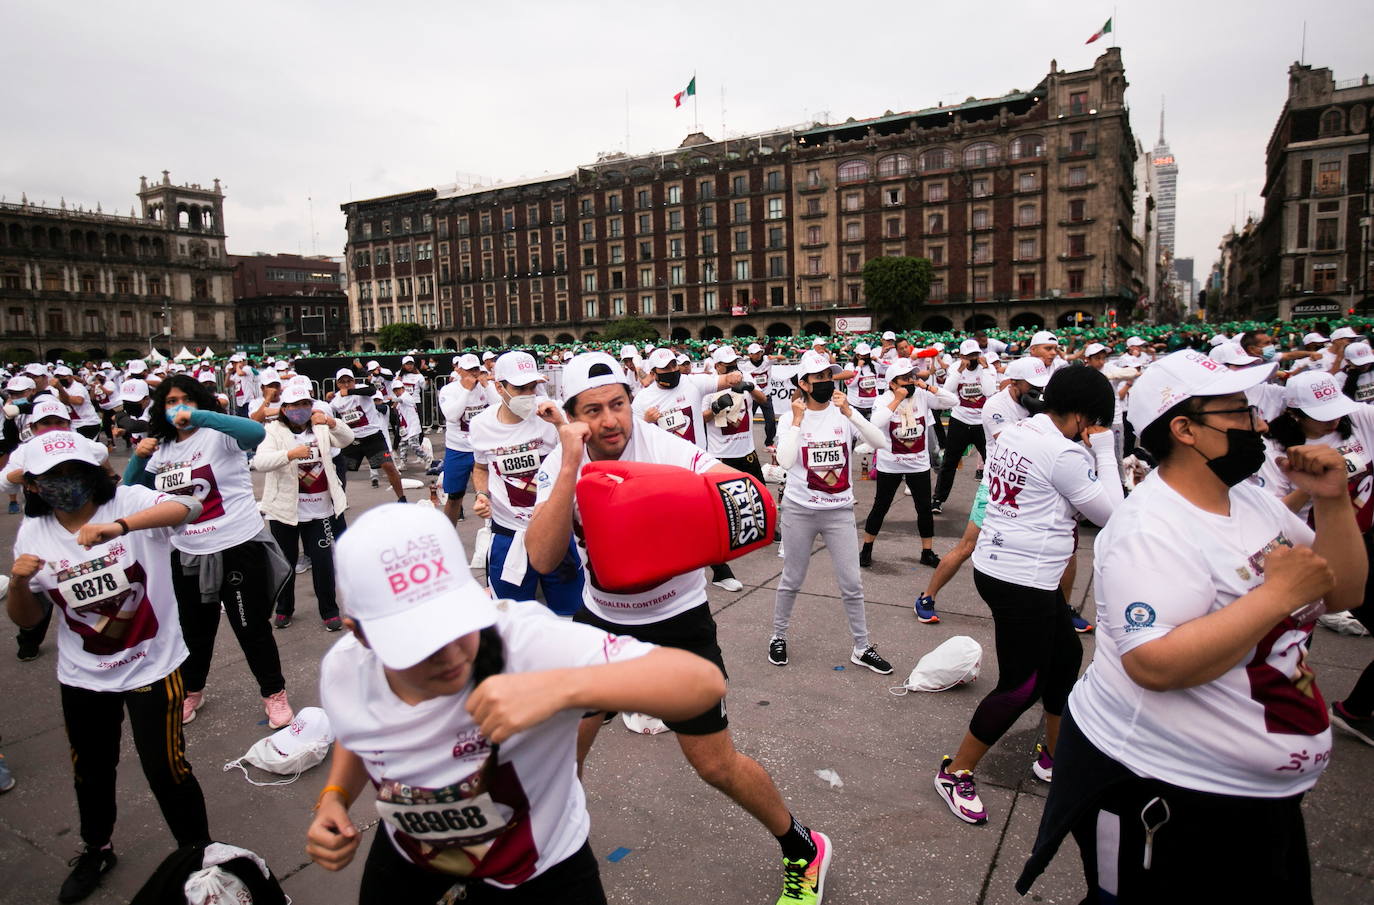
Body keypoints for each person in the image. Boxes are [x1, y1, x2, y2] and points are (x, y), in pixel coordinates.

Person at [1017, 349, 1366, 903]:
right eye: (1238, 413)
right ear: (1186, 429)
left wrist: (1333, 502)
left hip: (1258, 794)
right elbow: (1154, 661)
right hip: (1165, 790)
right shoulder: (1149, 529)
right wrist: (1277, 595)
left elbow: (1342, 590)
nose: (1258, 425)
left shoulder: (1253, 501)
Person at [525, 352, 833, 904]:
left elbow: (739, 494)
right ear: (572, 415)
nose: (610, 420)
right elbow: (544, 560)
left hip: (677, 627)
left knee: (714, 764)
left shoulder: (664, 448)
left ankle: (802, 847)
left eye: (617, 403)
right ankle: (541, 862)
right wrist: (571, 464)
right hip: (601, 626)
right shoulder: (560, 463)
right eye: (592, 410)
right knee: (559, 758)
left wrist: (697, 506)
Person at [305, 505, 724, 903]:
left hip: (541, 874)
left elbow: (702, 684)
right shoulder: (345, 669)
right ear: (359, 634)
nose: (451, 656)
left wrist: (561, 688)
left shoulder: (523, 643)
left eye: (455, 623)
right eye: (420, 643)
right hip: (411, 858)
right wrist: (334, 797)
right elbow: (360, 732)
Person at [7, 431, 211, 903]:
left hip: (152, 667)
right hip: (84, 676)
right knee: (92, 769)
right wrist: (18, 585)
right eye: (52, 477)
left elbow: (190, 509)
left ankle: (200, 857)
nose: (67, 483)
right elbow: (30, 618)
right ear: (33, 486)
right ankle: (96, 847)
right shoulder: (33, 534)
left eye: (75, 471)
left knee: (167, 768)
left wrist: (120, 529)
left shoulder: (128, 501)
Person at [934, 366, 1122, 825]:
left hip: (1004, 568)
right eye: (1093, 422)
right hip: (1023, 580)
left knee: (1065, 658)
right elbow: (1115, 513)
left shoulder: (1018, 429)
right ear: (1082, 416)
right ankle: (955, 772)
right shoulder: (1064, 453)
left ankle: (1053, 757)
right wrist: (1104, 448)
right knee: (1021, 685)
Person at [123, 375, 294, 728]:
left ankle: (274, 693)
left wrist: (198, 417)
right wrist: (138, 459)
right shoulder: (162, 449)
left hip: (237, 546)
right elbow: (128, 491)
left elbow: (255, 434)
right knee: (194, 631)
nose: (178, 407)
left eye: (186, 399)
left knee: (251, 628)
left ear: (199, 401)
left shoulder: (219, 434)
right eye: (171, 402)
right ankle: (192, 691)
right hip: (187, 552)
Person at [770, 350, 894, 674]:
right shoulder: (789, 418)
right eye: (819, 378)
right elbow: (783, 461)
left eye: (829, 376)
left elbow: (879, 441)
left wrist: (850, 413)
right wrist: (797, 421)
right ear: (804, 384)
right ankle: (778, 636)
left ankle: (862, 646)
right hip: (800, 511)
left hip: (839, 511)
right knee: (792, 579)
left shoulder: (842, 414)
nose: (826, 382)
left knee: (852, 583)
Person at [913, 356, 1049, 624]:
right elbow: (1014, 443)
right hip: (996, 486)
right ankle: (927, 596)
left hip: (1032, 486)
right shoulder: (995, 405)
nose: (1037, 392)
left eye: (1040, 387)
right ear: (1013, 382)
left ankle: (1061, 608)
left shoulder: (1040, 403)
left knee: (1054, 550)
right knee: (967, 546)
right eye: (1031, 386)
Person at [468, 351, 583, 615]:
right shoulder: (481, 425)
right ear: (499, 387)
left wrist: (560, 424)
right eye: (520, 388)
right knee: (510, 622)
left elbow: (578, 456)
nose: (529, 394)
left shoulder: (551, 414)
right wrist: (481, 495)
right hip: (509, 537)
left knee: (571, 616)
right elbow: (480, 467)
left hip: (556, 532)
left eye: (533, 386)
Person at [632, 346, 749, 592]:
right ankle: (668, 570)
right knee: (669, 524)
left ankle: (720, 571)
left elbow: (722, 380)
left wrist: (733, 377)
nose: (672, 371)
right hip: (664, 473)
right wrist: (647, 422)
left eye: (674, 366)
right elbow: (633, 436)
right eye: (666, 369)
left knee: (709, 518)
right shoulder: (643, 399)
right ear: (654, 372)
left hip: (696, 466)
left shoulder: (691, 383)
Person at [254, 380, 354, 631]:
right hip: (285, 511)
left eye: (305, 404)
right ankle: (284, 608)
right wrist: (289, 455)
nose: (301, 409)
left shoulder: (319, 426)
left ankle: (329, 610)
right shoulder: (274, 430)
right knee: (285, 562)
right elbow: (260, 462)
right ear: (285, 408)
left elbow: (346, 439)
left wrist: (332, 423)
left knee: (323, 562)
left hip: (320, 510)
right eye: (294, 405)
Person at [860, 357, 956, 569]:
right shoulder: (883, 399)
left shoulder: (921, 395)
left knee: (923, 508)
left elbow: (953, 401)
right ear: (892, 383)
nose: (911, 381)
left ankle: (927, 551)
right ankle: (866, 549)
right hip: (890, 465)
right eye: (904, 379)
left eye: (912, 377)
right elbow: (874, 425)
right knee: (880, 507)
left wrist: (928, 386)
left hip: (918, 465)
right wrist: (896, 400)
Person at [930, 339, 997, 514]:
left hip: (981, 423)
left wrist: (987, 369)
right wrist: (959, 371)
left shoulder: (987, 369)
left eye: (975, 355)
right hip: (959, 420)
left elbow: (990, 391)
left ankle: (996, 499)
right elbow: (948, 390)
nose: (972, 359)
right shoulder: (955, 368)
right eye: (968, 356)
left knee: (992, 461)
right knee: (949, 462)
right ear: (961, 356)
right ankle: (938, 499)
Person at [330, 368, 408, 503]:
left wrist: (349, 391)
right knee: (340, 469)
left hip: (373, 437)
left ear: (354, 381)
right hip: (352, 440)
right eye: (343, 382)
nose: (346, 384)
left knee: (389, 466)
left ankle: (401, 498)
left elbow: (372, 391)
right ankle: (339, 501)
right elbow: (326, 410)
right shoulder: (336, 401)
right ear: (338, 384)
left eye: (349, 381)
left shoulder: (360, 389)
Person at [438, 354, 499, 523]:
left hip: (484, 447)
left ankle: (491, 531)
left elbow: (499, 407)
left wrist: (487, 385)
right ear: (459, 371)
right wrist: (466, 390)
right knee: (455, 495)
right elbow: (452, 415)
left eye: (476, 369)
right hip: (458, 448)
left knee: (492, 495)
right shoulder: (449, 390)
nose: (473, 374)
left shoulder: (486, 387)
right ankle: (449, 534)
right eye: (469, 370)